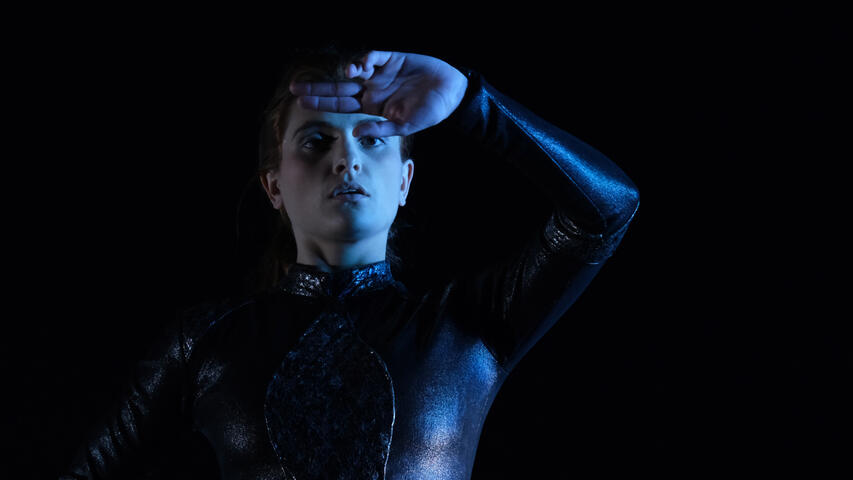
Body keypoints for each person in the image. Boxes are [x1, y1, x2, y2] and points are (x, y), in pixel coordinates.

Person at [59, 44, 640, 480]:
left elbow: (608, 210)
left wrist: (472, 102)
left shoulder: (469, 326)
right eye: (316, 141)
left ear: (405, 181)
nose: (346, 159)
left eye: (373, 138)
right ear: (273, 187)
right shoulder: (205, 340)